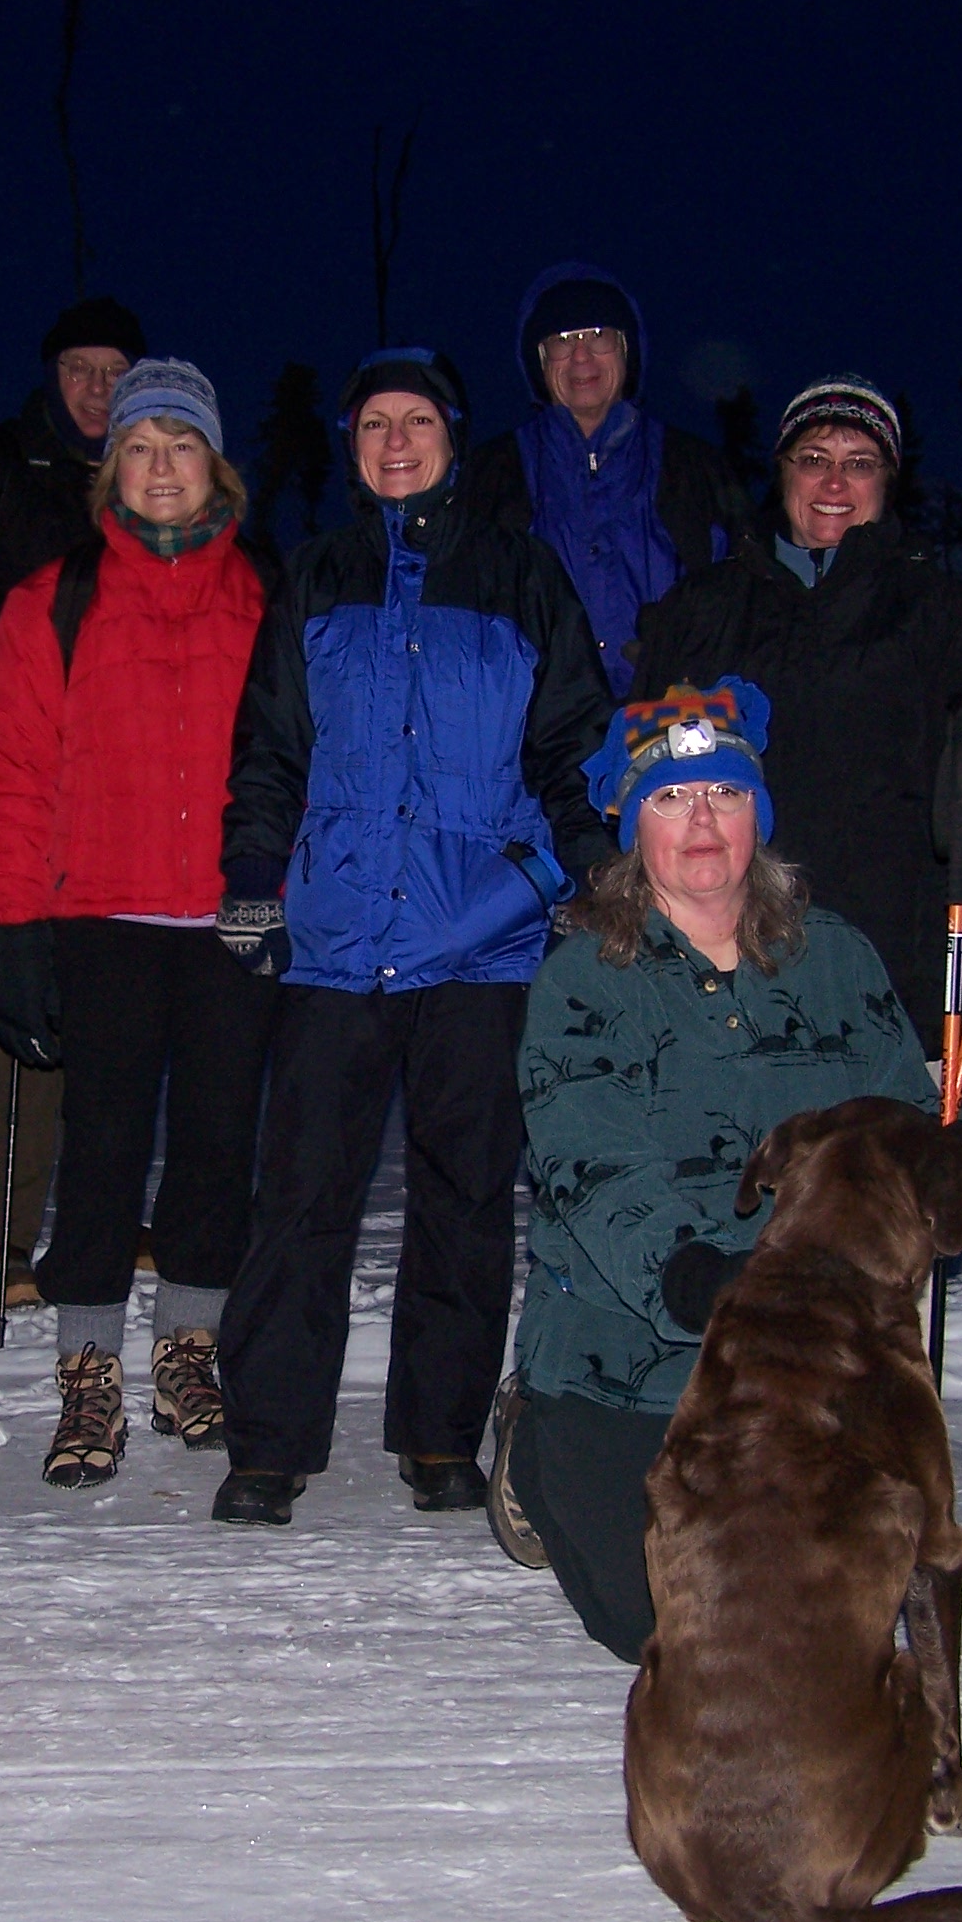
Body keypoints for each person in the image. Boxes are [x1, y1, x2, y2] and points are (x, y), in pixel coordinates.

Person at [210, 346, 614, 1527]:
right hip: (337, 935)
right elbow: (270, 746)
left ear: (452, 434)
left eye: (416, 421)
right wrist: (252, 877)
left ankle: (439, 1437)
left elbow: (572, 746)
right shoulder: (315, 573)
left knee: (466, 1194)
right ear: (352, 445)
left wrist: (591, 869)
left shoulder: (519, 573)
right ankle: (269, 1444)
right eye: (373, 424)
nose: (395, 442)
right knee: (299, 1193)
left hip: (482, 933)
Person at [500, 682, 962, 1664]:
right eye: (670, 799)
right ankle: (535, 1438)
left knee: (812, 1618)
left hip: (814, 1359)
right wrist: (699, 1277)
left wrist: (946, 1178)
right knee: (662, 1628)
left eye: (724, 793)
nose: (702, 821)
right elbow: (590, 1164)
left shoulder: (836, 961)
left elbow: (899, 1133)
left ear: (759, 813)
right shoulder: (583, 980)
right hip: (635, 1351)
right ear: (633, 828)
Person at [0, 359, 278, 1488]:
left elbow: (299, 757)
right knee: (100, 1148)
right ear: (112, 469)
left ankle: (188, 1350)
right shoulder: (51, 598)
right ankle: (88, 1366)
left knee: (215, 1145)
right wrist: (18, 930)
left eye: (181, 446)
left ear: (215, 467)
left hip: (231, 918)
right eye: (139, 447)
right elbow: (10, 769)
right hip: (98, 915)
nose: (160, 467)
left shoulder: (267, 594)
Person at [629, 375, 962, 1052]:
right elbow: (641, 781)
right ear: (782, 471)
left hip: (890, 950)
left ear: (887, 482)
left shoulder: (933, 611)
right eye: (813, 458)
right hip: (728, 941)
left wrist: (959, 950)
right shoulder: (704, 606)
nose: (834, 481)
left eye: (859, 463)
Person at [0, 296, 150, 1313]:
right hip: (14, 758)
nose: (96, 388)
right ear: (52, 375)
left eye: (114, 371)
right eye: (79, 368)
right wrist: (22, 671)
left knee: (119, 993)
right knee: (8, 986)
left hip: (130, 774)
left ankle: (103, 1211)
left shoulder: (150, 472)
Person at [459, 262, 753, 698]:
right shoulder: (491, 474)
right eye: (562, 340)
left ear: (626, 349)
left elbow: (744, 600)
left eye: (598, 335)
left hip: (670, 720)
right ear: (540, 360)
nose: (581, 356)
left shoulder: (694, 467)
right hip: (533, 726)